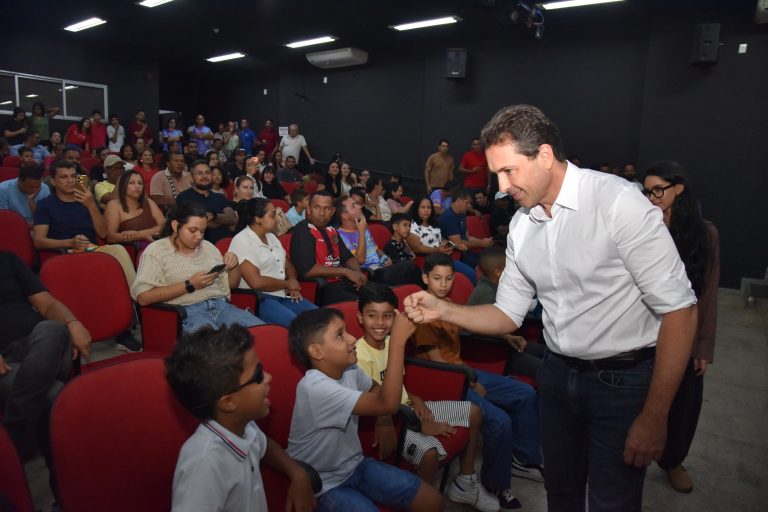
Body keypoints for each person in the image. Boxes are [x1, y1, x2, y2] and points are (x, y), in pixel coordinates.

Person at [404, 104, 698, 512]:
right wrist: (444, 309)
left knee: (613, 500)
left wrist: (655, 414)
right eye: (496, 175)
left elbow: (680, 311)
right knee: (560, 492)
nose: (502, 187)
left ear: (544, 155)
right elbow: (507, 314)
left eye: (509, 172)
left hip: (622, 382)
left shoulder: (618, 204)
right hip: (558, 377)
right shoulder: (523, 226)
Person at [413, 253, 543, 508]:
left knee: (524, 393)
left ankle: (523, 460)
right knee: (499, 420)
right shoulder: (423, 314)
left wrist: (506, 336)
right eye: (437, 278)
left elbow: (470, 323)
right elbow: (437, 361)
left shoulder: (447, 304)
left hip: (462, 370)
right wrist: (471, 381)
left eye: (449, 278)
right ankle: (496, 485)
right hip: (446, 379)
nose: (443, 284)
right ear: (425, 278)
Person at [354, 283, 498, 511]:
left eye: (387, 316)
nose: (380, 323)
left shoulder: (394, 342)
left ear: (396, 317)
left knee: (474, 412)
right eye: (372, 316)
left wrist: (416, 398)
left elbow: (396, 383)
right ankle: (418, 502)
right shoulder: (358, 355)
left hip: (411, 406)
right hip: (395, 418)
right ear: (360, 317)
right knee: (429, 454)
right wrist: (421, 425)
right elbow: (377, 398)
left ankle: (465, 482)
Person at [286, 308, 444, 512]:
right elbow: (387, 402)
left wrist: (382, 418)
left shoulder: (349, 369)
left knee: (433, 501)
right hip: (324, 483)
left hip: (355, 465)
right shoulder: (315, 388)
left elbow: (377, 390)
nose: (352, 339)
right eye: (340, 335)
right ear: (317, 351)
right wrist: (396, 341)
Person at [166, 324, 316, 512]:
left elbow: (263, 444)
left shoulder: (241, 426)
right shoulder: (203, 465)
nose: (268, 377)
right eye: (259, 375)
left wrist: (297, 473)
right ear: (229, 402)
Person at [643, 160, 720, 493]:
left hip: (685, 332)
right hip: (643, 330)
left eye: (658, 190)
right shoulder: (643, 227)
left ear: (679, 189)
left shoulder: (706, 233)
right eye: (646, 192)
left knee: (684, 404)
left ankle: (673, 460)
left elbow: (709, 294)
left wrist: (703, 346)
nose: (652, 197)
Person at [33, 160, 139, 351]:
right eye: (63, 177)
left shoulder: (86, 201)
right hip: (64, 253)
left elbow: (104, 232)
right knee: (99, 269)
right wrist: (69, 242)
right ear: (54, 181)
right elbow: (39, 240)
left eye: (73, 176)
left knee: (118, 251)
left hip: (92, 249)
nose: (70, 181)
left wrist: (90, 205)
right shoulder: (45, 205)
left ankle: (134, 305)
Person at [0, 251, 90, 473]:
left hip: (43, 346)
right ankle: (19, 440)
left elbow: (46, 303)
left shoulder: (8, 260)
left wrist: (72, 321)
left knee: (52, 328)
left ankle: (12, 444)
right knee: (56, 394)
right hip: (6, 364)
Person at [132, 201, 264, 333]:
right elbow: (143, 297)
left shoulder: (209, 247)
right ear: (175, 225)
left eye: (202, 231)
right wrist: (190, 285)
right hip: (187, 312)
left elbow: (231, 285)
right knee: (217, 347)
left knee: (261, 334)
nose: (199, 237)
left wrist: (234, 266)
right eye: (192, 230)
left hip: (222, 307)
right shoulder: (156, 252)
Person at [229, 198, 317, 328]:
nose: (276, 218)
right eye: (272, 215)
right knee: (298, 326)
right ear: (257, 219)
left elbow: (288, 265)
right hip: (261, 298)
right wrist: (288, 283)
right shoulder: (242, 241)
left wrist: (292, 281)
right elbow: (256, 282)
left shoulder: (271, 237)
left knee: (320, 318)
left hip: (282, 292)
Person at [467, 247, 545, 379]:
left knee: (545, 352)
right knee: (543, 368)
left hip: (504, 341)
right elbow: (484, 329)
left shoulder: (498, 286)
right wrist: (508, 337)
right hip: (493, 350)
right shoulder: (486, 292)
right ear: (498, 272)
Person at [289, 190, 367, 305]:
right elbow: (308, 270)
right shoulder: (302, 230)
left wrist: (357, 273)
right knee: (362, 304)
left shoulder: (332, 230)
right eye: (317, 208)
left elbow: (348, 257)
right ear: (309, 210)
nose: (321, 213)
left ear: (332, 211)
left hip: (343, 282)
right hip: (325, 287)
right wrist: (346, 272)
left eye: (326, 208)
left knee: (381, 294)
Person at [336, 196, 422, 287]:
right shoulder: (341, 236)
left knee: (410, 268)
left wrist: (385, 257)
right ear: (345, 215)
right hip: (370, 275)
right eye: (354, 206)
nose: (359, 207)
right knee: (409, 267)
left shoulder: (363, 229)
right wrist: (361, 232)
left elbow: (376, 250)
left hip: (382, 268)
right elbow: (359, 261)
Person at [176, 160, 237, 244]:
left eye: (207, 173)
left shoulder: (220, 197)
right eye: (199, 173)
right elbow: (195, 225)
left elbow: (232, 218)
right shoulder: (184, 197)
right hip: (201, 247)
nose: (204, 176)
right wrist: (223, 220)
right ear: (191, 177)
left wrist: (213, 216)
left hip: (229, 245)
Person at [104, 170, 165, 246]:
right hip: (131, 250)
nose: (137, 186)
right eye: (132, 183)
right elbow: (110, 237)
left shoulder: (149, 202)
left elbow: (164, 225)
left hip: (156, 244)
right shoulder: (113, 205)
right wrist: (139, 236)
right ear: (123, 186)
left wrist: (139, 234)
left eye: (140, 183)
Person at [439, 188, 494, 268]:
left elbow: (467, 237)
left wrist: (484, 241)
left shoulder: (461, 214)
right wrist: (481, 243)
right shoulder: (449, 217)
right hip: (453, 255)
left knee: (490, 259)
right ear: (459, 201)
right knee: (483, 267)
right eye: (467, 203)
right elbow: (458, 243)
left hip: (465, 252)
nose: (469, 206)